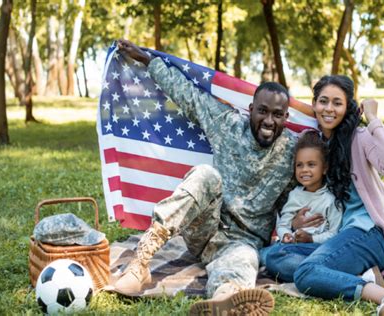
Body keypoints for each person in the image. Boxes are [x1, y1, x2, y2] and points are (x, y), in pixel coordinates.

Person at [114, 39, 312, 315]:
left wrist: (293, 225)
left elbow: (307, 186)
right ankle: (140, 263)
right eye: (263, 111)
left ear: (286, 117)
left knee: (241, 263)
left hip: (242, 241)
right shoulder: (228, 125)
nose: (269, 121)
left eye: (277, 115)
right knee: (206, 175)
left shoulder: (294, 152)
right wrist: (149, 60)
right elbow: (187, 95)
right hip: (203, 227)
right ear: (251, 109)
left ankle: (226, 299)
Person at [261, 75, 384, 316]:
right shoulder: (315, 142)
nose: (329, 109)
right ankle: (362, 274)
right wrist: (294, 224)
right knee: (273, 255)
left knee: (305, 274)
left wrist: (374, 119)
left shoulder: (359, 137)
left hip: (369, 233)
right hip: (335, 236)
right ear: (314, 104)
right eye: (323, 101)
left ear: (348, 107)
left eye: (337, 103)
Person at [275, 131, 341, 245]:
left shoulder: (330, 200)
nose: (304, 169)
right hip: (292, 246)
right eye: (299, 165)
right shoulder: (294, 195)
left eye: (311, 164)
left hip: (316, 248)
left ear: (324, 168)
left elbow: (335, 233)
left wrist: (311, 239)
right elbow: (282, 225)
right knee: (270, 255)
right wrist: (286, 235)